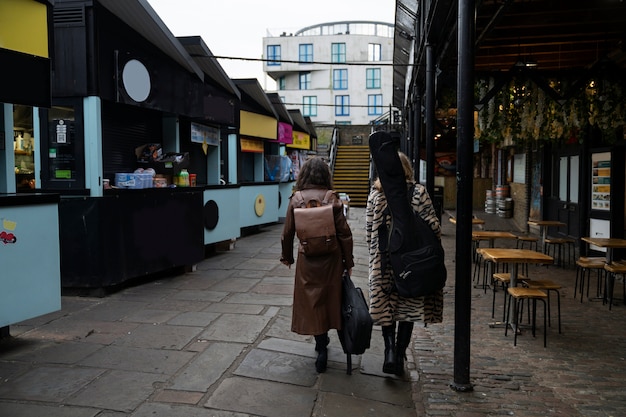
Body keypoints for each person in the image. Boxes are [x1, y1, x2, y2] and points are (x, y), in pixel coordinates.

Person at [366, 151, 444, 376]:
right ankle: (400, 355)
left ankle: (389, 351)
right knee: (408, 308)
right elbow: (434, 228)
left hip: (383, 262)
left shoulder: (376, 194)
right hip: (412, 262)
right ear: (408, 169)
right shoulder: (419, 192)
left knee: (387, 307)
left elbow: (369, 230)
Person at [280, 157, 354, 373]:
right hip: (332, 261)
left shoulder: (297, 199)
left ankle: (321, 347)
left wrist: (288, 257)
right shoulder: (332, 198)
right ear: (325, 175)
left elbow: (287, 234)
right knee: (332, 300)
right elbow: (345, 234)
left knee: (312, 303)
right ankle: (333, 340)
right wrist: (348, 262)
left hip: (308, 260)